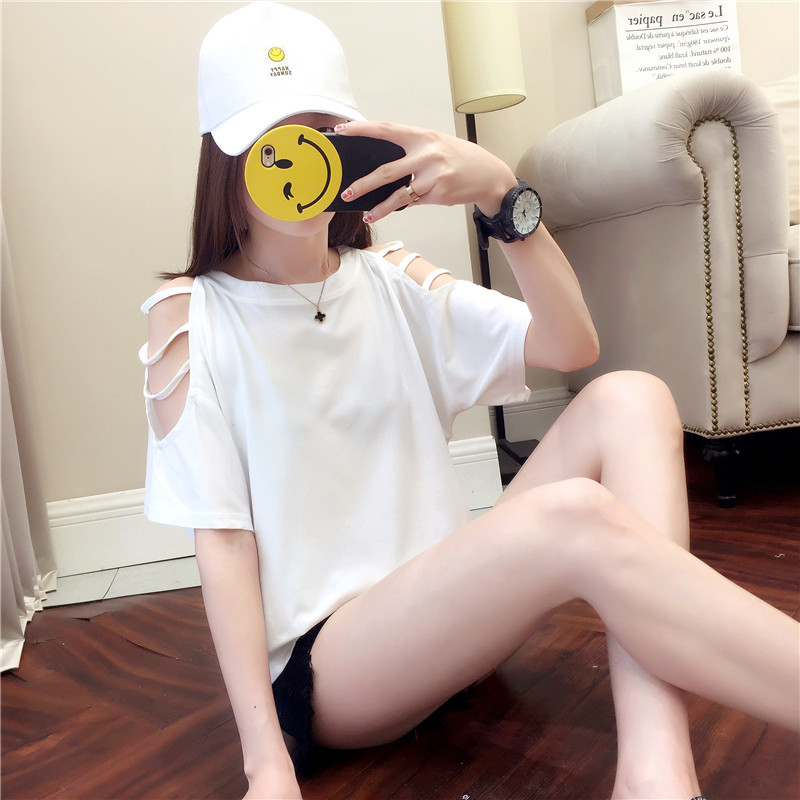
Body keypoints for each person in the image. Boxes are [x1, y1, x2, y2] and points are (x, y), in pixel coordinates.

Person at [139, 3, 799, 799]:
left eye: (320, 135)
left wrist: (501, 194)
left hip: (450, 614)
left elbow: (572, 347)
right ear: (225, 157)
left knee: (633, 397)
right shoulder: (193, 319)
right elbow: (223, 544)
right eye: (270, 140)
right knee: (573, 516)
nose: (299, 164)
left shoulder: (391, 280)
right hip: (335, 668)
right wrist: (267, 767)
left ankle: (655, 767)